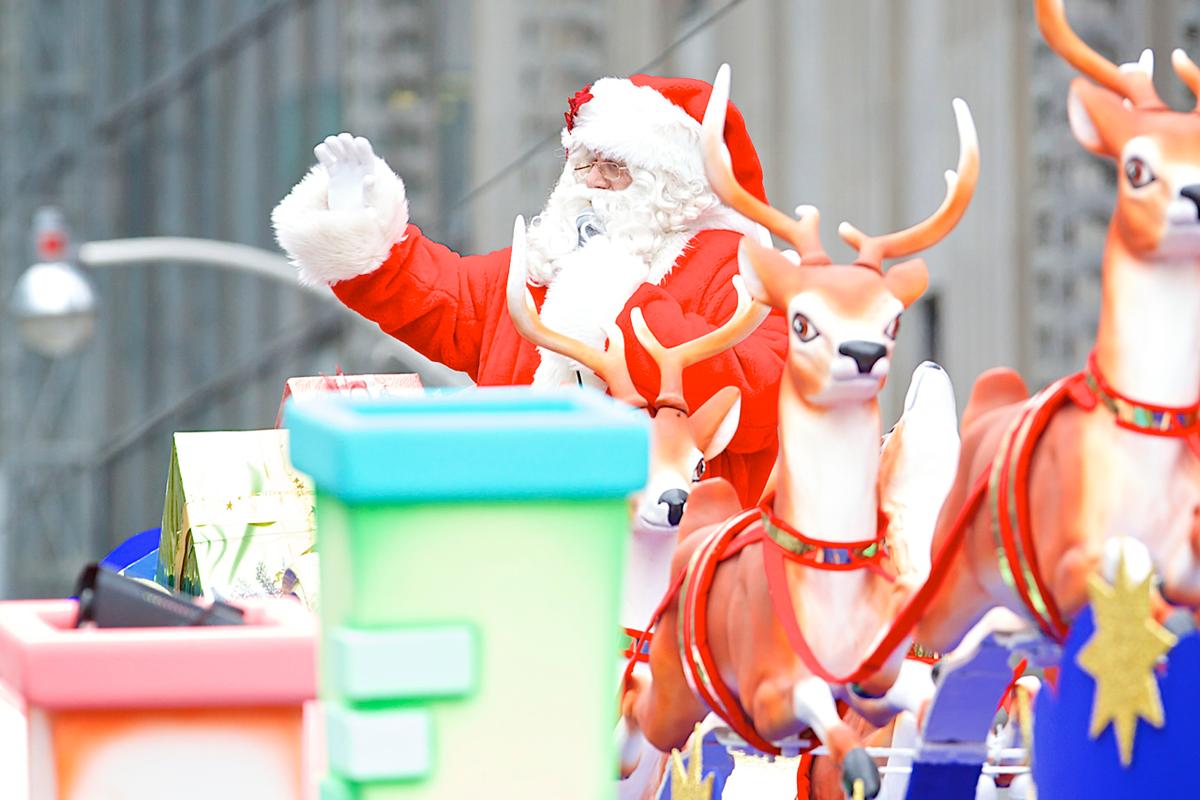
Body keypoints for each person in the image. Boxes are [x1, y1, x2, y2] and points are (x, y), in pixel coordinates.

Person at [271, 74, 787, 505]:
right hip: (519, 534)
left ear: (672, 185)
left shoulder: (736, 267)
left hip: (666, 565)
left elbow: (763, 396)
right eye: (585, 164)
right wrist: (355, 219)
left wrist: (618, 300)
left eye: (618, 168)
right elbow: (434, 296)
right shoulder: (541, 265)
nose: (595, 182)